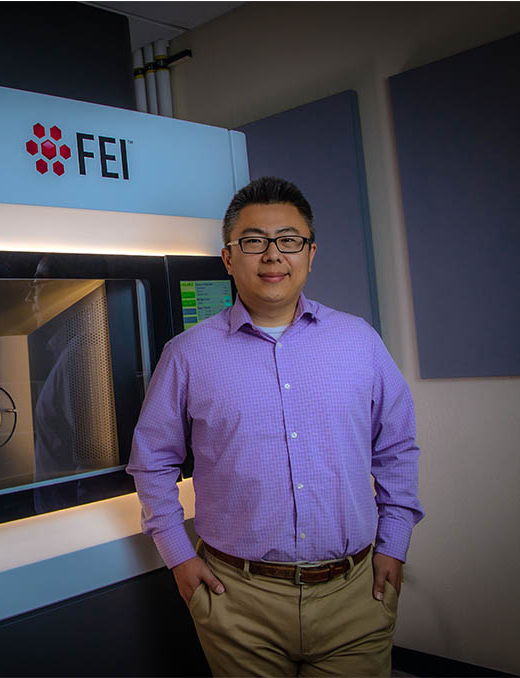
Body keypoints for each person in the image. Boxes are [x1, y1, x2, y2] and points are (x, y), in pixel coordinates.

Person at [127, 176, 424, 677]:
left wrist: (394, 543)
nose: (272, 255)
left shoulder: (359, 342)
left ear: (310, 253)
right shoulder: (187, 355)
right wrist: (177, 556)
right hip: (237, 601)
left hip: (353, 594)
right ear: (227, 258)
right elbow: (152, 461)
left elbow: (397, 448)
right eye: (253, 242)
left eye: (289, 240)